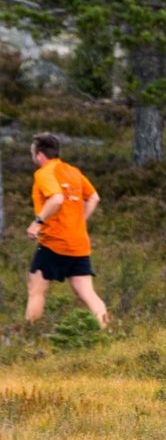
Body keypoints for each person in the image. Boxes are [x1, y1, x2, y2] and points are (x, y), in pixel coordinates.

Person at [24, 133, 109, 332]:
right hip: (78, 242)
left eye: (32, 152)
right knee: (86, 293)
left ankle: (28, 336)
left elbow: (56, 198)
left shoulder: (44, 173)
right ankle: (107, 331)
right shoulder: (72, 171)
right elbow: (94, 197)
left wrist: (37, 222)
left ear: (39, 155)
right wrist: (78, 221)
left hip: (54, 242)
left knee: (36, 290)